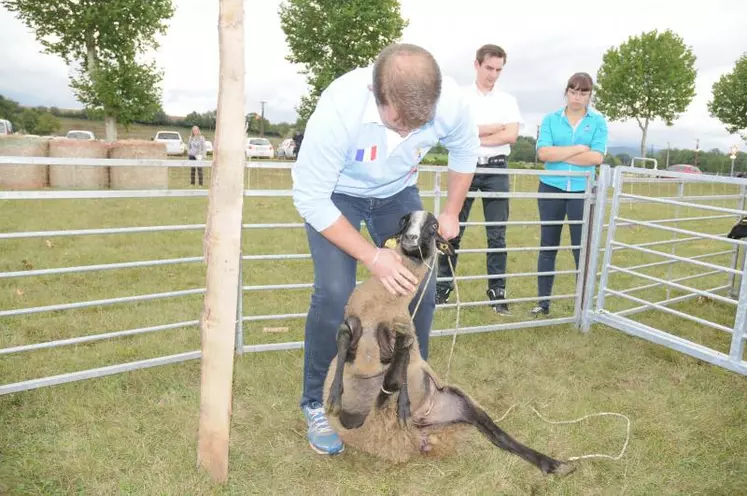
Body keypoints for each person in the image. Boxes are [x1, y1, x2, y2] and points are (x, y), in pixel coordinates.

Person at [291, 43, 480, 456]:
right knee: (335, 292)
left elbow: (466, 151)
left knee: (422, 290)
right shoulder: (339, 109)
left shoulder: (453, 103)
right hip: (336, 197)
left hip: (396, 193)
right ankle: (316, 403)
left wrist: (451, 211)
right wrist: (372, 256)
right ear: (378, 96)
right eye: (398, 122)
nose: (408, 134)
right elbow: (310, 198)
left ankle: (413, 391)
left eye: (420, 124)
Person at [435, 44, 523, 316]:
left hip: (496, 169)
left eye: (499, 70)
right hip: (464, 166)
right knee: (451, 229)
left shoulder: (508, 100)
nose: (493, 75)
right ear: (476, 64)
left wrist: (474, 133)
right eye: (489, 68)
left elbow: (511, 136)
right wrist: (492, 127)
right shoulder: (459, 97)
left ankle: (497, 293)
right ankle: (442, 289)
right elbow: (452, 133)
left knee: (497, 234)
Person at [532, 72, 608, 317]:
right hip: (551, 188)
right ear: (566, 92)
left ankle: (583, 304)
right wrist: (576, 149)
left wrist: (560, 152)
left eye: (583, 92)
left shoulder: (597, 122)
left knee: (581, 248)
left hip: (582, 192)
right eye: (573, 91)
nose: (577, 97)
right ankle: (542, 303)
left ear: (589, 95)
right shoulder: (550, 119)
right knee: (548, 246)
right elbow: (543, 153)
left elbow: (596, 157)